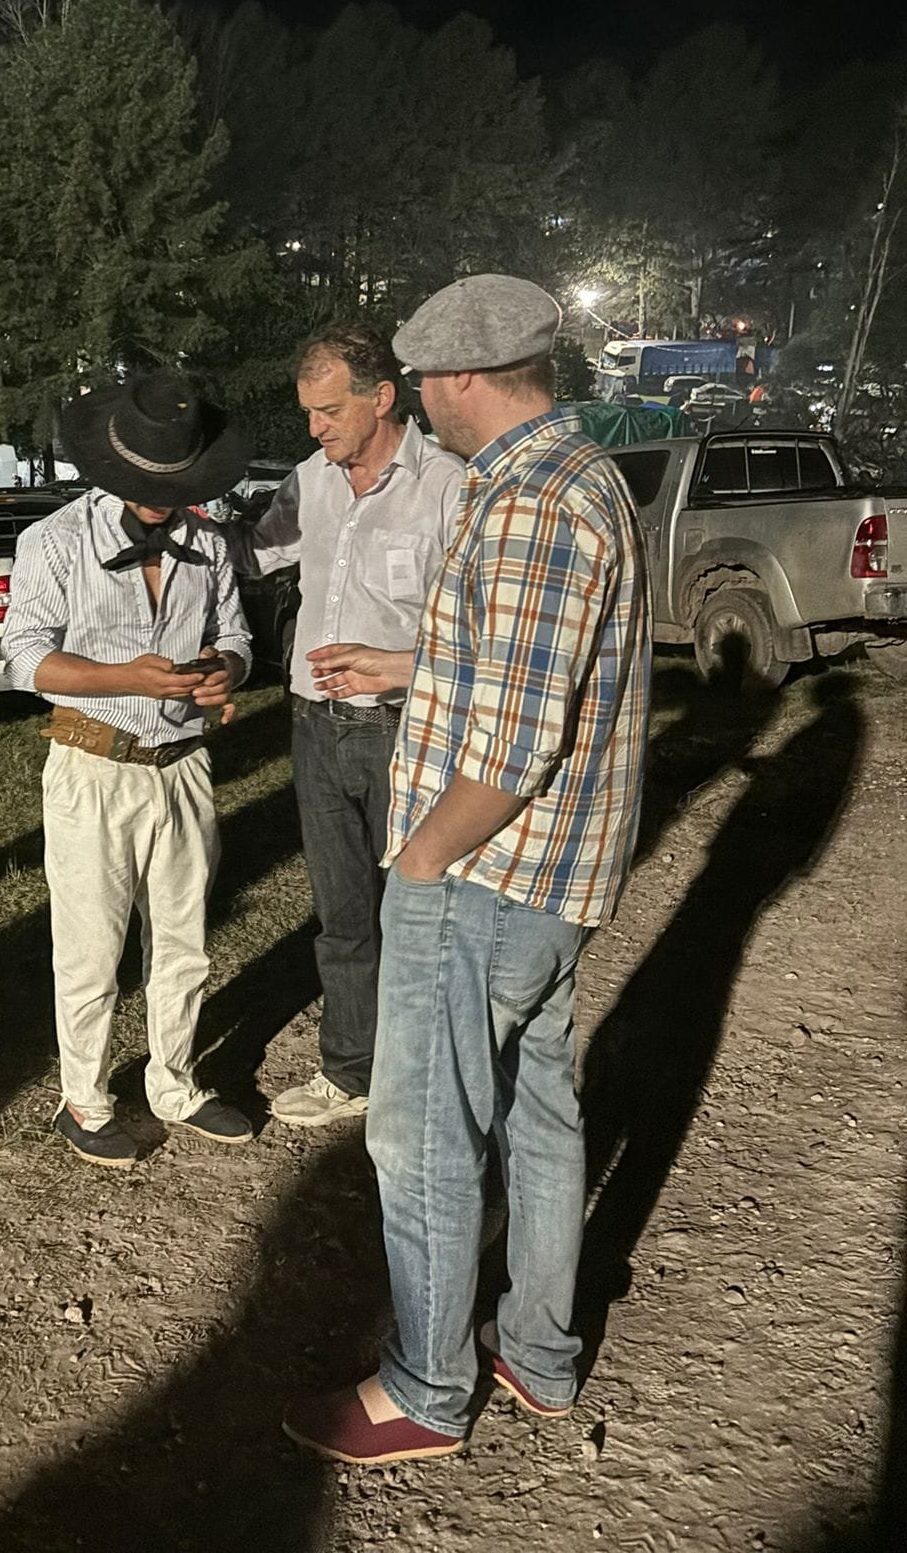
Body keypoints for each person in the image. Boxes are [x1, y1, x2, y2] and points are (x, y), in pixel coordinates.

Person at [284, 275, 650, 1466]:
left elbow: (518, 738)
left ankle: (427, 1387)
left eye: (429, 378)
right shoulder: (575, 473)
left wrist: (423, 863)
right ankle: (536, 1349)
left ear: (462, 379)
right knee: (539, 1111)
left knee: (425, 1134)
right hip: (554, 875)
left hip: (488, 871)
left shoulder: (533, 501)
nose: (425, 399)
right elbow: (507, 669)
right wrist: (408, 670)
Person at [3, 372, 256, 1168]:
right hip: (94, 765)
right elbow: (24, 659)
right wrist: (127, 678)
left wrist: (224, 672)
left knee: (185, 941)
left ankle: (173, 1084)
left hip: (182, 767)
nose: (159, 499)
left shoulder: (207, 544)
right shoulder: (55, 541)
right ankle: (83, 1101)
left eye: (174, 486)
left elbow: (238, 639)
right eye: (147, 484)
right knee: (91, 947)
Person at [231, 325, 462, 1127]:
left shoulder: (446, 486)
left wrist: (399, 664)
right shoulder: (311, 480)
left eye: (329, 411)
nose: (315, 427)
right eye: (308, 412)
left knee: (421, 912)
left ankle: (425, 1077)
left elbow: (482, 630)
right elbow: (252, 557)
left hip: (407, 729)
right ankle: (351, 1071)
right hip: (314, 728)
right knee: (343, 914)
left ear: (382, 398)